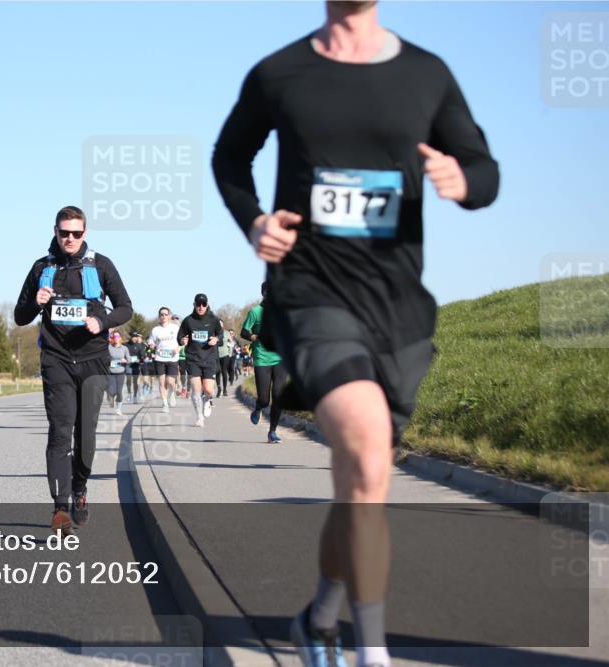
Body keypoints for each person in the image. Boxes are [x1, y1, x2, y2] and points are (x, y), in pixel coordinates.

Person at [212, 2, 499, 666]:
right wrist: (253, 221)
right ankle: (372, 653)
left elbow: (484, 169)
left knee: (359, 482)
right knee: (368, 456)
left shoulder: (427, 74)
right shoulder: (280, 73)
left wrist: (464, 181)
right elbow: (230, 156)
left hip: (397, 306)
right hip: (310, 294)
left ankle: (319, 616)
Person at [14, 205, 133, 535]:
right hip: (57, 360)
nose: (69, 238)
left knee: (87, 436)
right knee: (60, 430)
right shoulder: (42, 267)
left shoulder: (101, 265)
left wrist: (102, 320)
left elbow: (125, 307)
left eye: (76, 233)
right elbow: (20, 316)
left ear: (85, 233)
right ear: (54, 231)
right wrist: (34, 302)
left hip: (94, 360)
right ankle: (60, 508)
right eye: (64, 232)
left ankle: (79, 490)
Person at [241, 282, 287, 443]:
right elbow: (244, 331)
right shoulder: (255, 312)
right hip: (262, 357)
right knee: (264, 399)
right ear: (264, 293)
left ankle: (272, 432)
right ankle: (259, 407)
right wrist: (253, 337)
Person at [178, 294, 223, 427]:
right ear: (194, 305)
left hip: (209, 358)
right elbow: (180, 335)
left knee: (209, 390)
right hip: (193, 358)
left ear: (207, 305)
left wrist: (216, 339)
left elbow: (220, 334)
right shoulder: (188, 320)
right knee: (196, 389)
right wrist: (182, 340)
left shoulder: (213, 319)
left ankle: (208, 399)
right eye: (198, 304)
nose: (201, 307)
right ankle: (199, 417)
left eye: (203, 304)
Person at [146, 307, 181, 413]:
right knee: (162, 382)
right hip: (159, 358)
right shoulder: (155, 330)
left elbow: (183, 341)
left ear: (170, 316)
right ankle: (165, 404)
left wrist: (178, 348)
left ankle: (172, 394)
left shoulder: (175, 328)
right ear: (159, 316)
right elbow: (151, 342)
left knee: (170, 382)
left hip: (172, 358)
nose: (163, 316)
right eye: (161, 314)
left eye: (166, 314)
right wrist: (151, 345)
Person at [107, 331, 130, 415]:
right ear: (112, 338)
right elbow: (104, 359)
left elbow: (129, 360)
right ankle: (111, 398)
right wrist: (109, 362)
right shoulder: (109, 348)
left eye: (117, 336)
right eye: (114, 337)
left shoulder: (124, 348)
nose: (116, 338)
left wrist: (125, 361)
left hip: (120, 372)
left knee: (119, 391)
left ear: (120, 338)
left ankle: (118, 409)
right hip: (111, 372)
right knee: (112, 391)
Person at [124, 331, 148, 403]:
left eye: (135, 337)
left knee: (135, 382)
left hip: (136, 365)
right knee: (128, 380)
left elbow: (143, 355)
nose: (134, 338)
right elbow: (122, 354)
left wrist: (140, 359)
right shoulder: (125, 345)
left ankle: (134, 396)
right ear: (130, 337)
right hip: (128, 365)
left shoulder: (139, 345)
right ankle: (129, 394)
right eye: (133, 337)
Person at [216, 324, 235, 396]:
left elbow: (232, 342)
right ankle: (219, 389)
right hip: (216, 354)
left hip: (225, 354)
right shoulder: (214, 331)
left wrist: (230, 345)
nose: (220, 325)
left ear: (223, 325)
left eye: (221, 324)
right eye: (218, 323)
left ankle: (224, 389)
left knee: (224, 371)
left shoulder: (227, 333)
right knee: (217, 371)